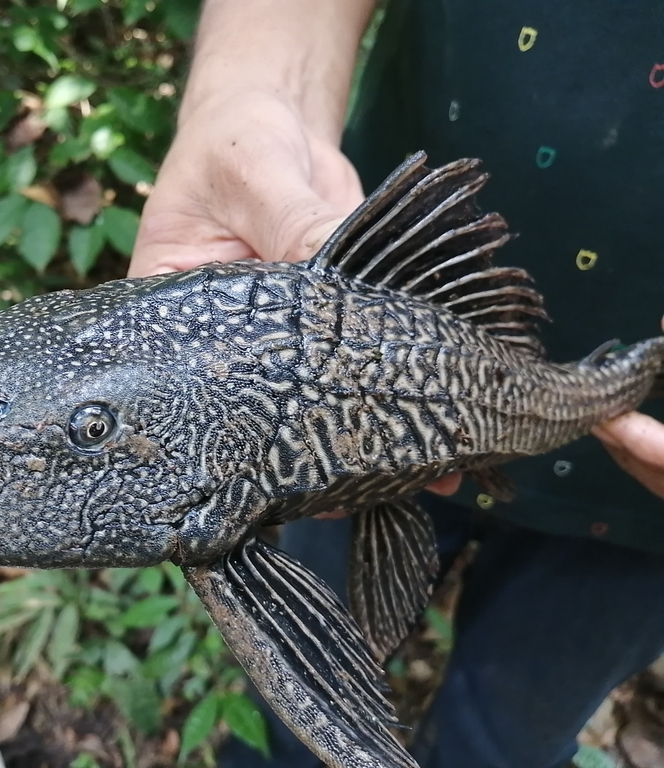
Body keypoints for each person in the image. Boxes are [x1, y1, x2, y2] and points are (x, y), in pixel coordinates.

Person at [129, 2, 664, 767]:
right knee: (299, 692)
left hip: (637, 517)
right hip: (332, 402)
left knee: (502, 738)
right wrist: (251, 97)